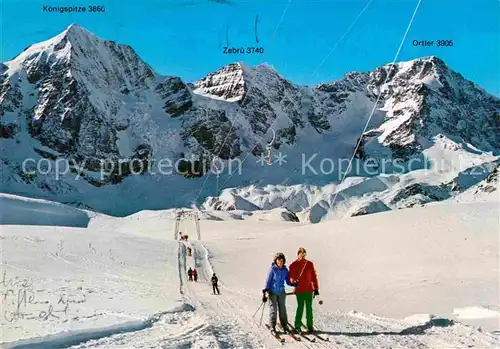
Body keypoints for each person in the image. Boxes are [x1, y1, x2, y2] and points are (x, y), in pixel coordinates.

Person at [262, 252, 296, 335]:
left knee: (282, 310)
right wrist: (265, 291)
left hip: (281, 292)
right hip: (272, 292)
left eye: (281, 260)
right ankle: (272, 327)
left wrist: (293, 283)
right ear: (276, 261)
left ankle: (285, 326)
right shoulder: (273, 269)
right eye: (278, 260)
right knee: (273, 310)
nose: (280, 262)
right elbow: (268, 280)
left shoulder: (285, 270)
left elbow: (288, 281)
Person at [288, 247, 319, 334]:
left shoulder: (309, 264)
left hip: (309, 290)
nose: (302, 255)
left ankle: (310, 325)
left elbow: (314, 277)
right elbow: (290, 277)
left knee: (309, 308)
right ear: (297, 254)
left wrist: (316, 288)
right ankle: (297, 325)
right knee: (300, 307)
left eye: (303, 254)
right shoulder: (293, 265)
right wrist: (293, 281)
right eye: (300, 253)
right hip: (300, 290)